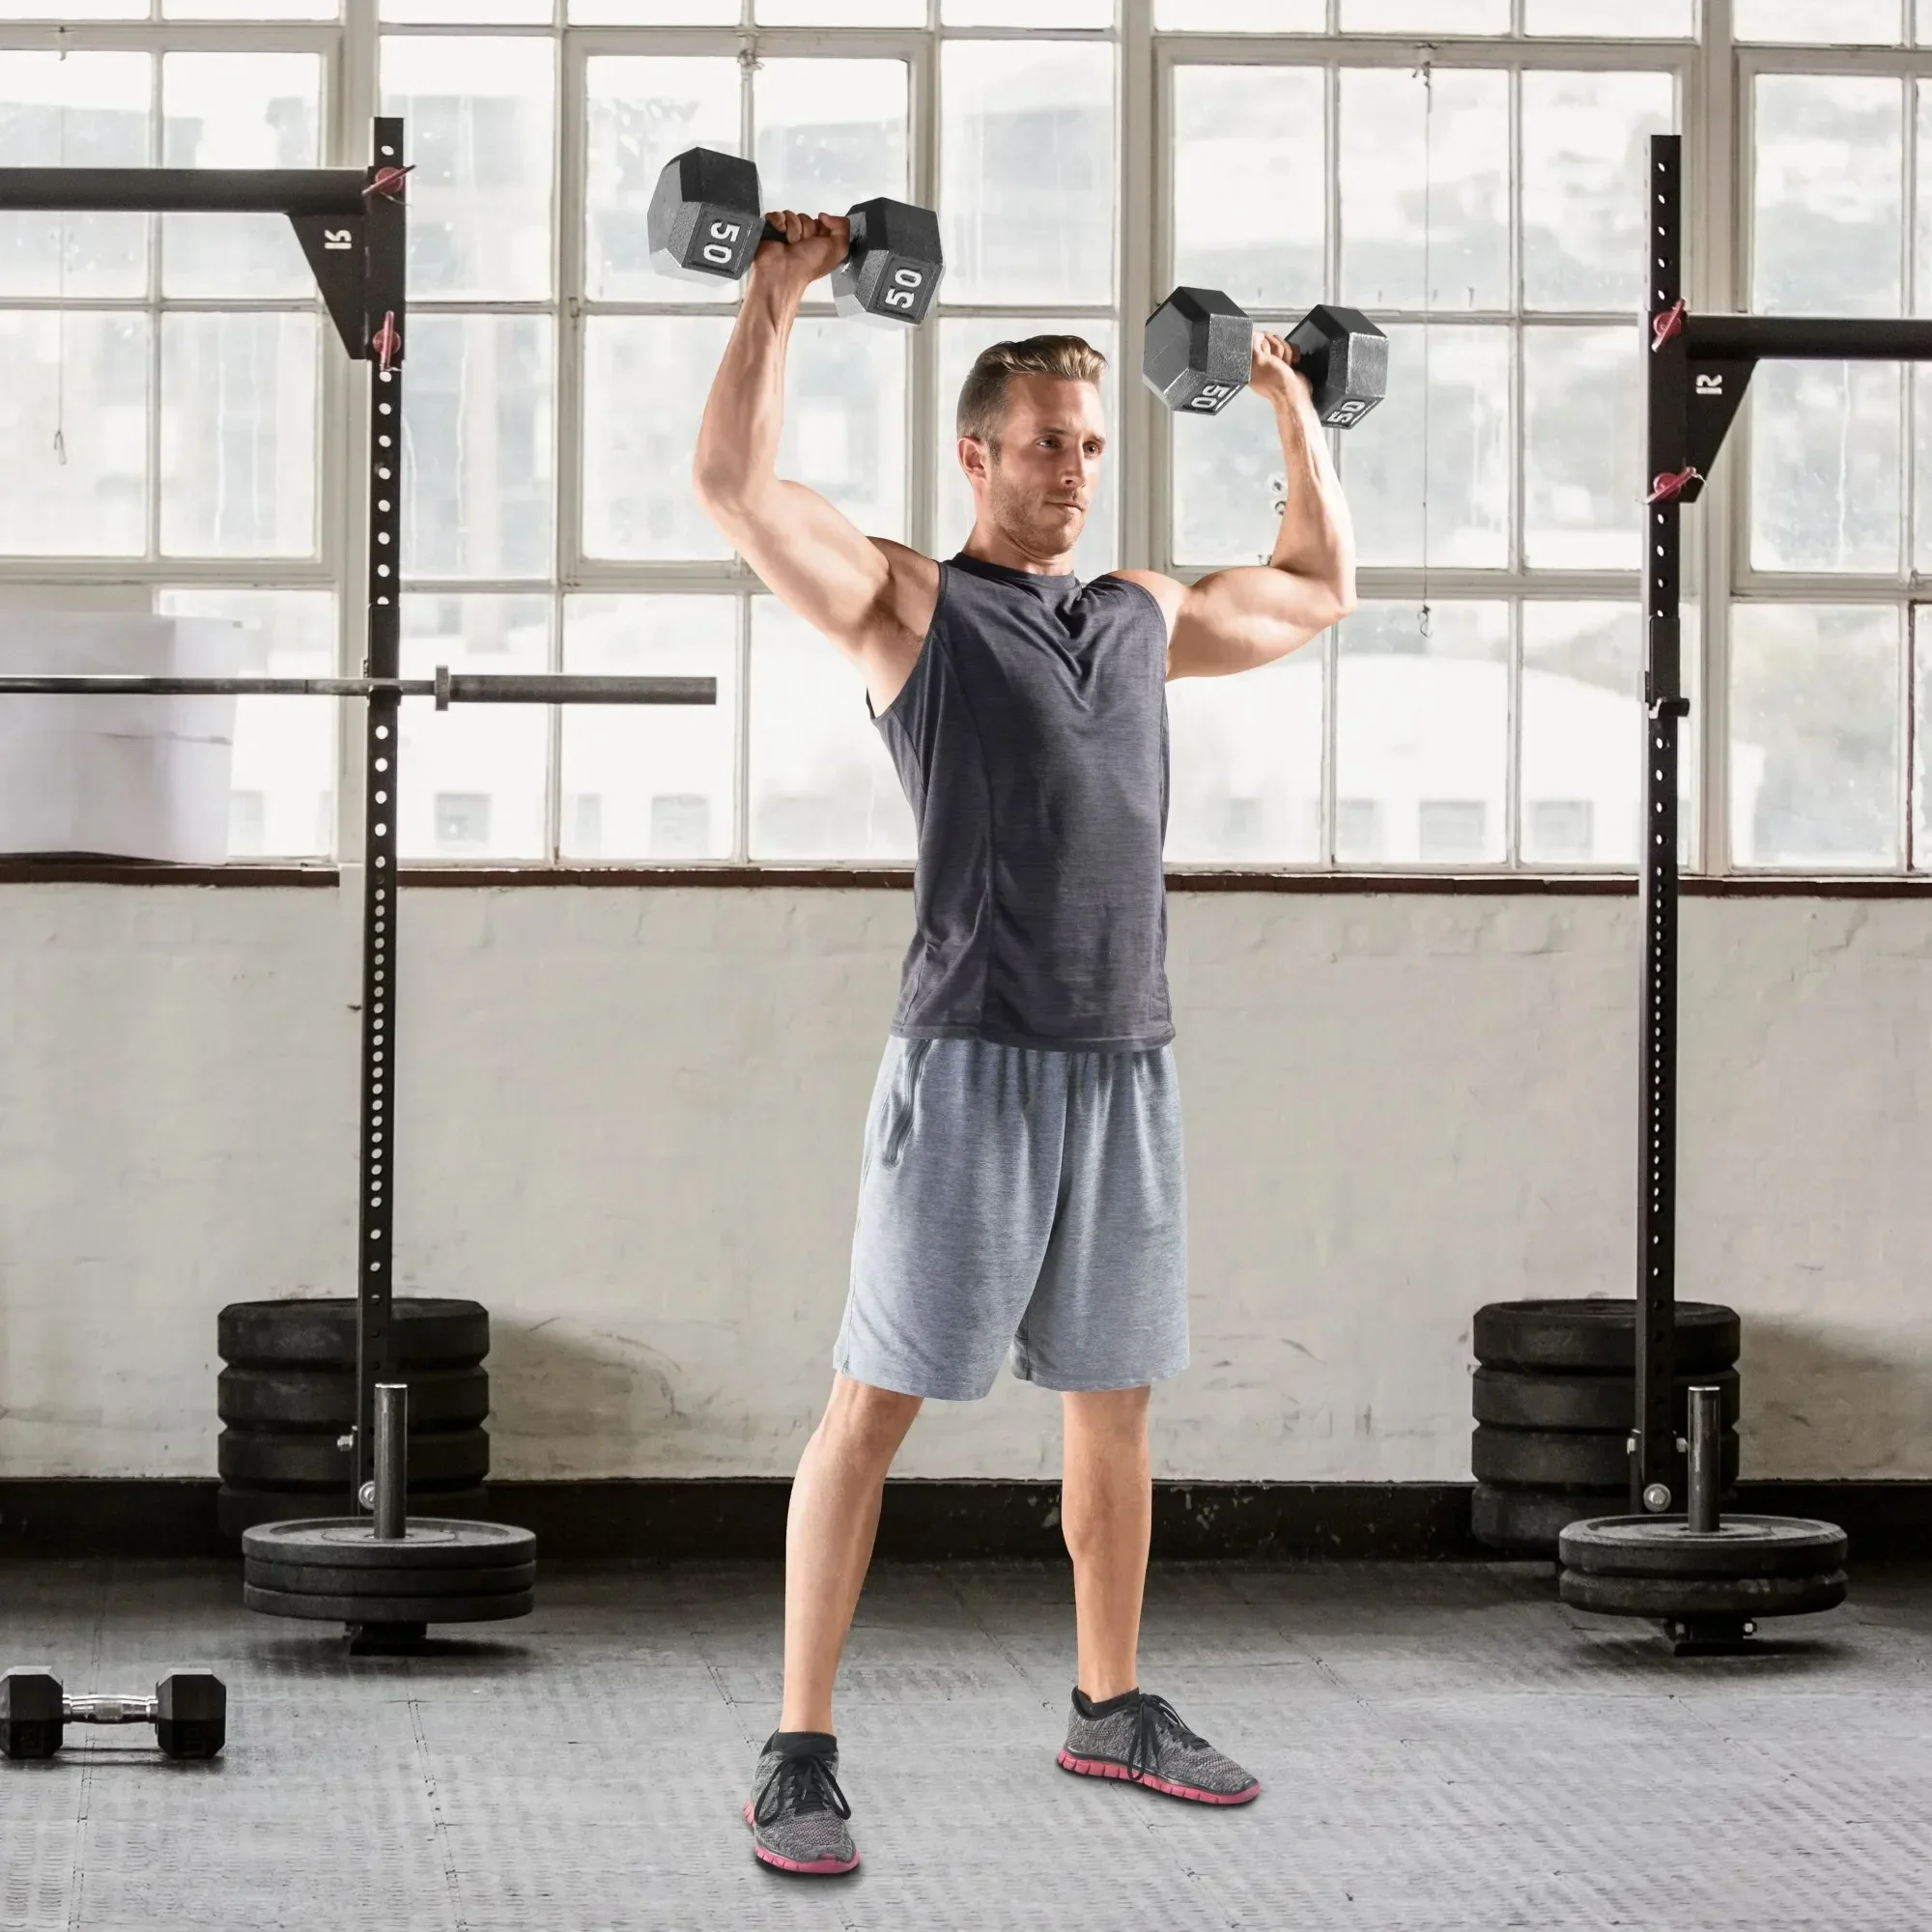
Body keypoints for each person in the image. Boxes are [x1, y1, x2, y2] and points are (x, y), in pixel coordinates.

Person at [694, 209, 1357, 1878]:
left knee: (1114, 1407)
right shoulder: (909, 607)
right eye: (1046, 444)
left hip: (1126, 1061)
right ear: (977, 456)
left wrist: (1287, 400)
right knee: (872, 1406)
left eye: (1090, 444)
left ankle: (1109, 1705)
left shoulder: (1137, 611)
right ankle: (796, 1749)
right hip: (971, 1058)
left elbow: (1318, 587)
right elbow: (737, 491)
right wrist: (778, 291)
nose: (1074, 469)